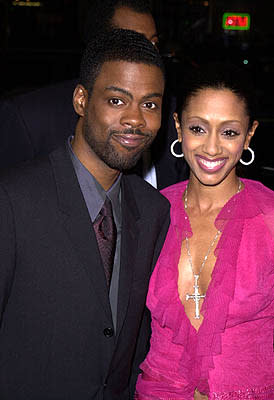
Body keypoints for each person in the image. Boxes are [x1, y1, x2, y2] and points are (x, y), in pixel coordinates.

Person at [0, 29, 170, 399]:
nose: (136, 121)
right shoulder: (12, 199)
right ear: (81, 99)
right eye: (116, 100)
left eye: (150, 104)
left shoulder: (154, 210)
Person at [135, 63, 274, 399]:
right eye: (198, 128)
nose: (212, 148)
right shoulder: (149, 212)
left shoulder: (270, 217)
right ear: (178, 127)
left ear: (249, 135)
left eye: (229, 132)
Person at [0, 0, 188, 188]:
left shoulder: (173, 113)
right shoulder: (31, 118)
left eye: (153, 43)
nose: (147, 53)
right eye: (131, 42)